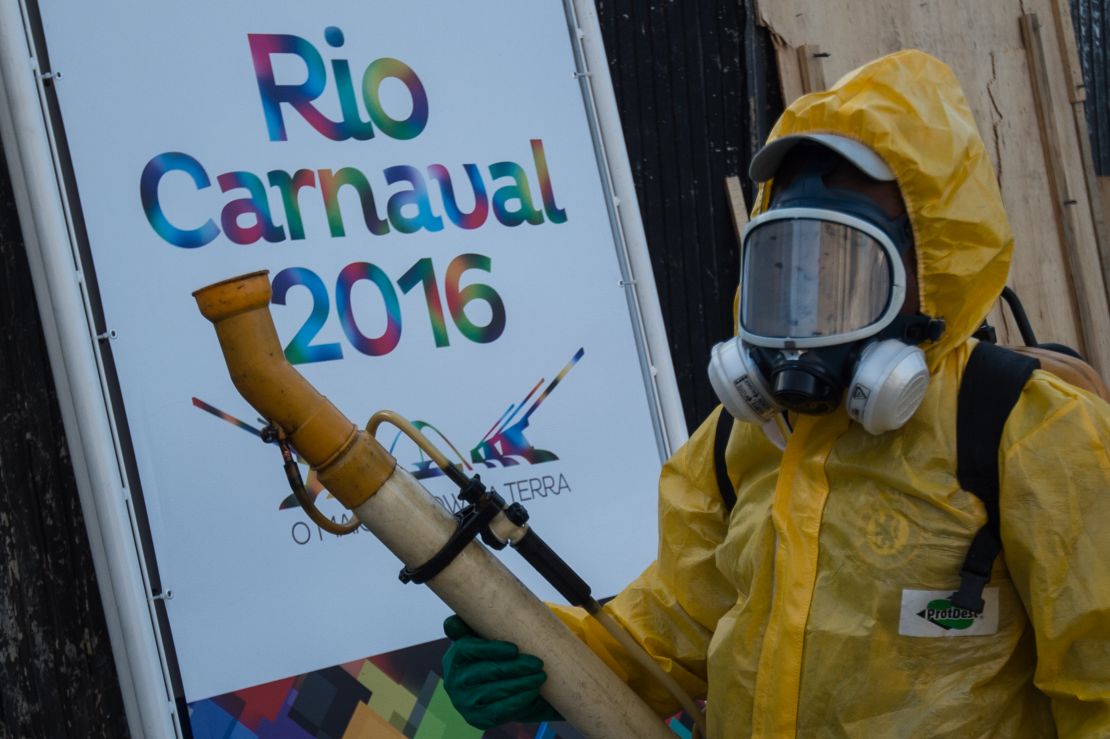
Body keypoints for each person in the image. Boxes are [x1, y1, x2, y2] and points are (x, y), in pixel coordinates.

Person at [441, 49, 1110, 737]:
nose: (810, 305)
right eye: (791, 268)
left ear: (933, 265)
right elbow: (673, 628)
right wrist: (544, 652)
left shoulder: (1027, 434)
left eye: (846, 271)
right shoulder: (742, 439)